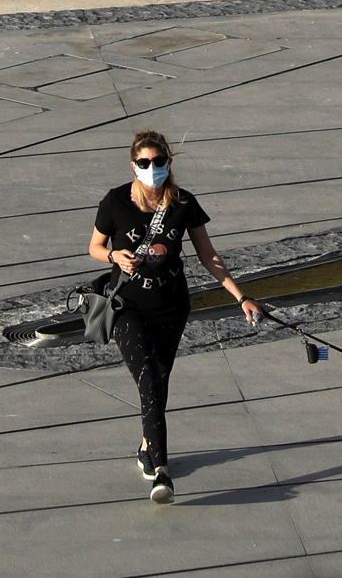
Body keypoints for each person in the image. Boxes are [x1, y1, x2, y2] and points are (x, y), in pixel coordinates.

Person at [89, 129, 264, 503]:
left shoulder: (183, 203)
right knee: (150, 379)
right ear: (133, 164)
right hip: (127, 307)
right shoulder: (115, 201)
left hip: (171, 306)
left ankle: (145, 445)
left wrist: (241, 297)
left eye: (159, 162)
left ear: (169, 162)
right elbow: (94, 246)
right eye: (144, 163)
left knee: (160, 380)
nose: (152, 168)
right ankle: (161, 472)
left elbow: (208, 256)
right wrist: (113, 257)